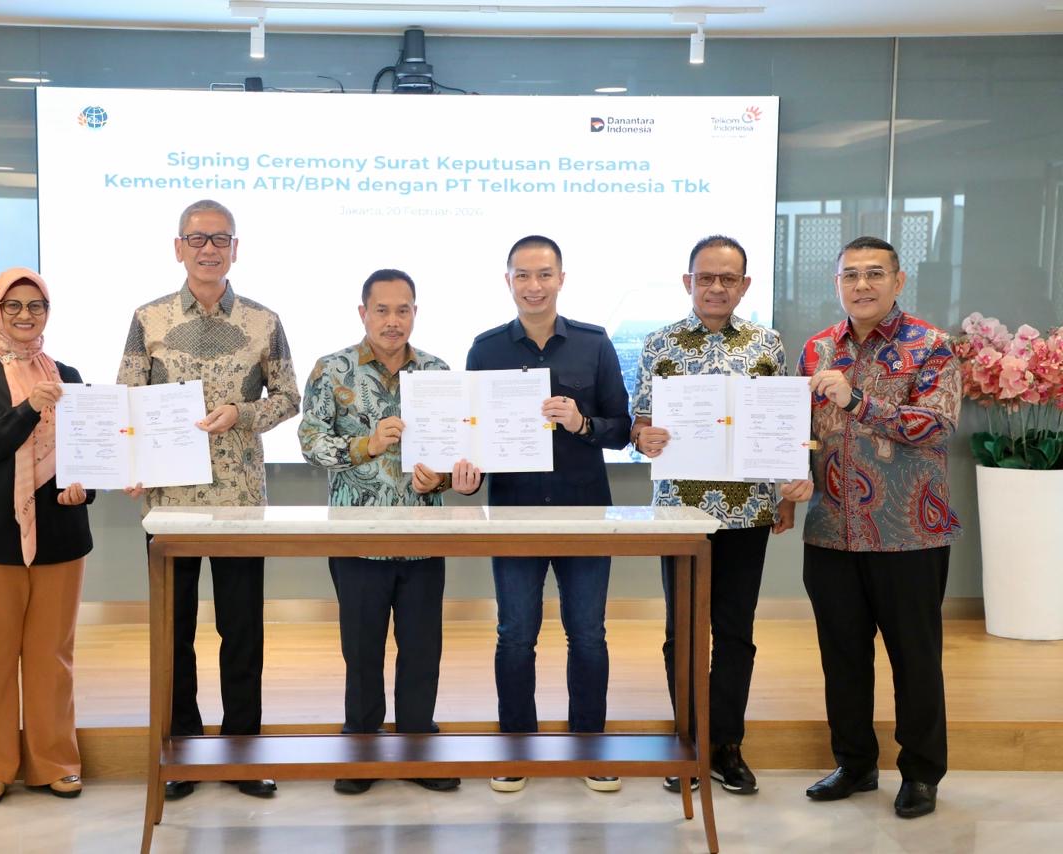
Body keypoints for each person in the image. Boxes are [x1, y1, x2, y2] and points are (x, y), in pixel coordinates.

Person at [117, 199, 299, 800]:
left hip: (239, 501)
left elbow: (288, 397)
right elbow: (127, 399)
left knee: (242, 629)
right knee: (175, 630)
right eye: (197, 239)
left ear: (235, 249)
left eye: (220, 239)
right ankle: (182, 750)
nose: (209, 249)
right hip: (170, 502)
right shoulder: (148, 319)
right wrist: (131, 461)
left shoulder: (264, 321)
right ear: (179, 248)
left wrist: (242, 413)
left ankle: (243, 751)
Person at [631, 235, 812, 796]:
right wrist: (644, 437)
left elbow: (782, 425)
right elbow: (639, 422)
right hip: (680, 515)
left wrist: (786, 495)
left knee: (736, 632)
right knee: (682, 633)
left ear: (745, 285)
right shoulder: (659, 343)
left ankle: (726, 745)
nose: (716, 287)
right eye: (705, 277)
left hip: (747, 511)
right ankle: (687, 741)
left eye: (728, 279)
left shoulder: (767, 344)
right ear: (688, 282)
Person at [460, 234, 632, 794]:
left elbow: (622, 428)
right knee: (515, 635)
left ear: (561, 279)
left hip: (585, 514)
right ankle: (517, 747)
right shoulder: (485, 350)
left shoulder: (594, 343)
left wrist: (582, 423)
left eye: (544, 274)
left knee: (588, 635)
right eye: (522, 275)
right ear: (507, 280)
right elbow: (473, 437)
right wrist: (468, 474)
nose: (533, 286)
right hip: (515, 514)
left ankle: (589, 746)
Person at [799, 236, 961, 819]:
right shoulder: (818, 348)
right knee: (842, 657)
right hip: (830, 529)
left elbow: (938, 425)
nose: (861, 285)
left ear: (898, 281)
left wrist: (857, 400)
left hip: (909, 532)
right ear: (836, 283)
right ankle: (855, 763)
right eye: (850, 275)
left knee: (915, 659)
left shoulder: (932, 345)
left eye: (874, 274)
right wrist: (789, 475)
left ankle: (921, 773)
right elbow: (801, 432)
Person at [298, 268, 461, 796]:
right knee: (362, 651)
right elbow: (309, 442)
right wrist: (363, 445)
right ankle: (362, 750)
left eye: (403, 310)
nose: (393, 321)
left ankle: (417, 749)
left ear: (415, 313)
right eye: (383, 310)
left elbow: (458, 452)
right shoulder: (332, 369)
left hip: (423, 538)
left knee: (422, 650)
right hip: (357, 538)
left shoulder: (437, 372)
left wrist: (442, 477)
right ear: (363, 312)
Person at [0, 267, 93, 805]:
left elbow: (87, 452)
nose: (26, 315)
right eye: (14, 305)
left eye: (36, 306)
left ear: (48, 312)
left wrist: (83, 488)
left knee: (53, 656)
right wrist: (29, 408)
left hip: (59, 534)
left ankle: (55, 762)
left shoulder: (67, 375)